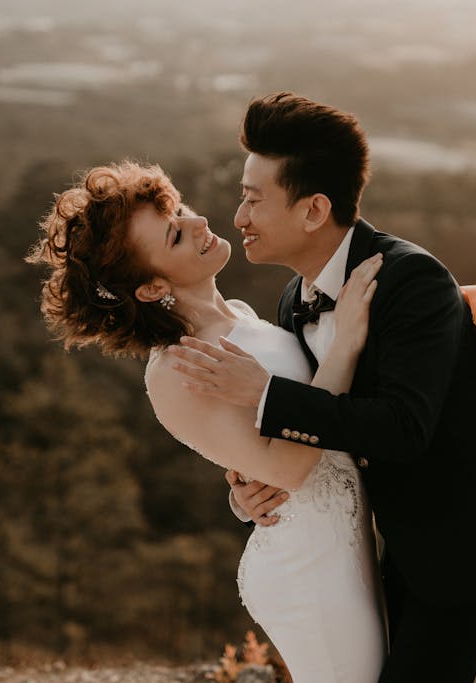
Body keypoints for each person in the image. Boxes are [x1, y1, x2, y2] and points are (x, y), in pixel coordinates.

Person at [168, 92, 476, 682]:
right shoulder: (294, 299)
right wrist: (248, 489)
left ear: (314, 210)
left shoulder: (412, 280)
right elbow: (319, 427)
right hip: (384, 544)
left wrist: (265, 394)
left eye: (253, 200)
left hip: (463, 538)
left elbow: (403, 428)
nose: (238, 218)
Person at [26, 160, 387, 682]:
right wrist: (346, 344)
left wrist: (241, 492)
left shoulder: (238, 313)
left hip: (347, 543)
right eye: (175, 234)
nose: (198, 223)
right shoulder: (175, 370)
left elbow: (262, 444)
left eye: (179, 211)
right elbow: (288, 471)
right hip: (310, 567)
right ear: (151, 288)